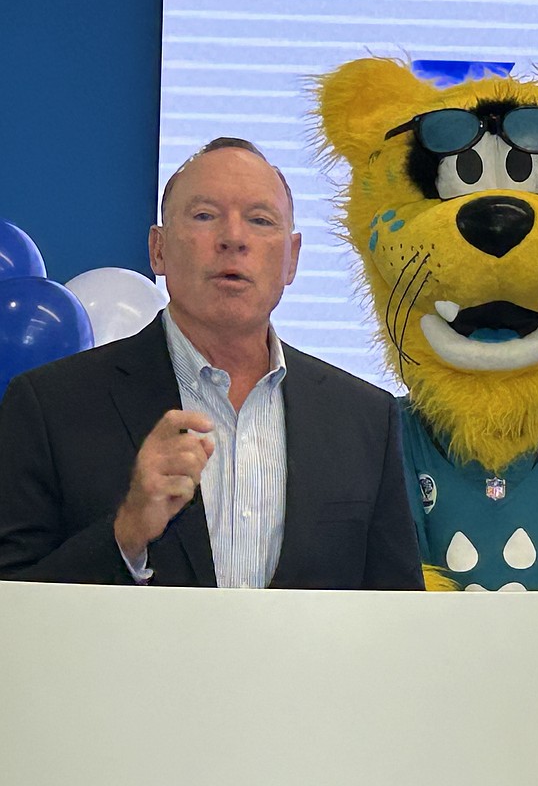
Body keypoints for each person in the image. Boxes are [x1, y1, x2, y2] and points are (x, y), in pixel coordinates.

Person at [0, 137, 424, 590]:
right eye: (205, 216)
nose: (234, 239)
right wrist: (127, 532)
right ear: (158, 250)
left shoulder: (364, 419)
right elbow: (12, 613)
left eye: (260, 221)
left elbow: (395, 617)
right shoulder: (50, 405)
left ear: (292, 259)